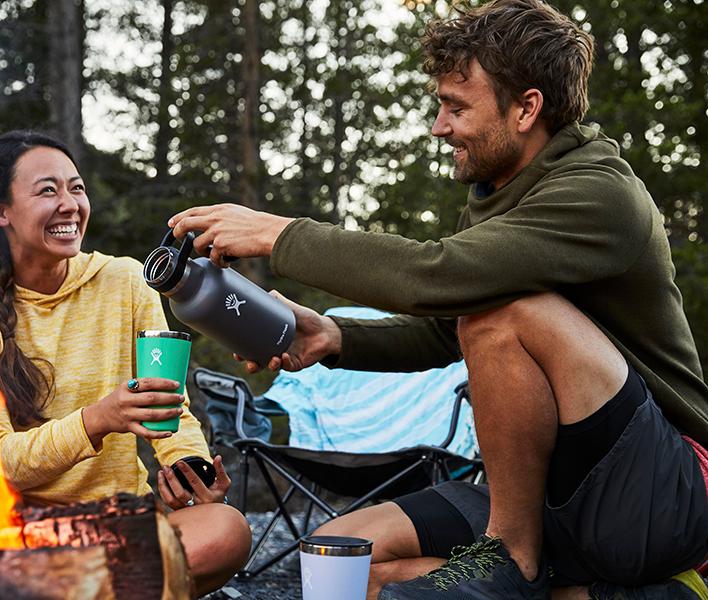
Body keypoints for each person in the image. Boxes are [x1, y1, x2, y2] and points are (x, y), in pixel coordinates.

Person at [167, 1, 708, 598]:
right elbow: (446, 330)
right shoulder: (499, 192)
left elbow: (438, 276)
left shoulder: (599, 195)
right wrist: (335, 337)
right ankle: (581, 589)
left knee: (505, 312)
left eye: (457, 107)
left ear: (527, 108)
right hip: (549, 495)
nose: (439, 127)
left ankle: (514, 557)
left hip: (658, 499)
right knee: (342, 555)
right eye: (439, 105)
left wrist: (281, 234)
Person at [0, 130, 251, 596]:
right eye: (48, 190)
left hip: (119, 524)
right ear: (0, 211)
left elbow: (169, 406)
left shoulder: (125, 281)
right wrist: (97, 420)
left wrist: (190, 471)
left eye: (77, 188)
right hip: (20, 538)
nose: (70, 205)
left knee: (226, 530)